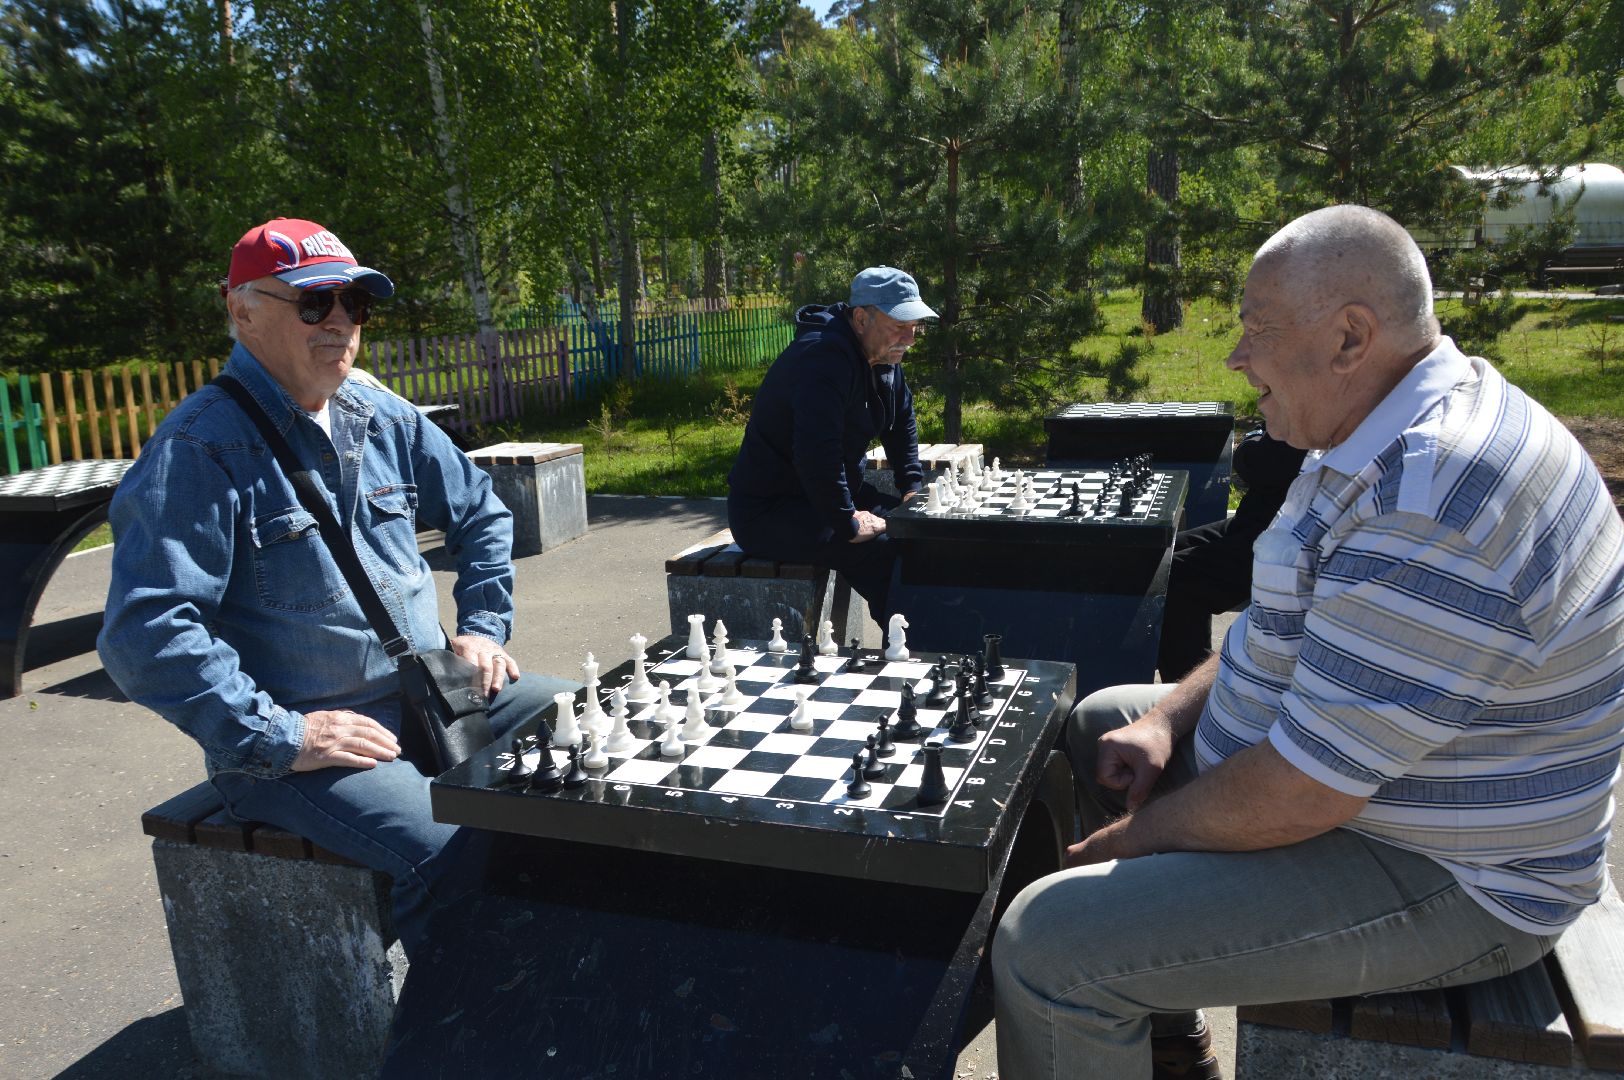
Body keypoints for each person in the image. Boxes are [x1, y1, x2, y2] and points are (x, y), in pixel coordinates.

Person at [992, 205, 1624, 1080]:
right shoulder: (1378, 427)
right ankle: (1163, 1044)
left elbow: (1306, 791)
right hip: (1379, 790)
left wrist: (1131, 844)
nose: (1236, 357)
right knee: (1109, 722)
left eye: (1257, 330)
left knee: (1043, 944)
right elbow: (1283, 629)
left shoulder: (1430, 501)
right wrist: (1170, 719)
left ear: (1349, 337)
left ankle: (1097, 993)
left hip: (1459, 874)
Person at [98, 217, 576, 958]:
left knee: (589, 735)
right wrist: (284, 736)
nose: (341, 324)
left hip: (431, 693)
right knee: (454, 850)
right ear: (242, 310)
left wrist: (483, 626)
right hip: (306, 745)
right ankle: (461, 1029)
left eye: (355, 304)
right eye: (315, 304)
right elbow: (146, 634)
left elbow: (481, 510)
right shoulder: (197, 449)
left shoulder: (377, 410)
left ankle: (571, 946)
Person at [727, 266, 936, 629]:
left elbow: (902, 422)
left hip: (826, 497)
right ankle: (910, 659)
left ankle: (930, 639)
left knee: (920, 534)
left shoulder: (882, 355)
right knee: (881, 554)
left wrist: (910, 489)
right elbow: (815, 455)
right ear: (860, 318)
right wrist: (848, 521)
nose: (911, 338)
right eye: (900, 325)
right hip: (770, 511)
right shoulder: (822, 359)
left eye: (915, 325)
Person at [1156, 426, 1306, 680]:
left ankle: (1190, 692)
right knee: (1162, 557)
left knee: (1175, 579)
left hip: (1281, 534)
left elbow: (1263, 462)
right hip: (1253, 520)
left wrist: (1248, 446)